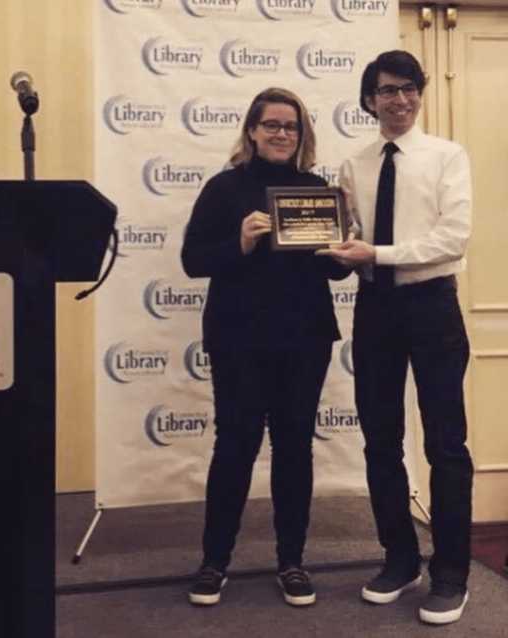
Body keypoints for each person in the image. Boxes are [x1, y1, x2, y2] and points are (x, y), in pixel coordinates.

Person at [318, 50, 473, 625]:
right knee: (380, 440)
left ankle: (451, 571)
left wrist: (375, 253)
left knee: (445, 444)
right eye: (387, 90)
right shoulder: (353, 164)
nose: (400, 100)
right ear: (369, 99)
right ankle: (400, 558)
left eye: (409, 89)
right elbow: (346, 242)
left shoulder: (447, 156)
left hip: (433, 304)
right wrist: (320, 246)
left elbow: (451, 239)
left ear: (420, 93)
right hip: (376, 307)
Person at [181, 87, 350, 607]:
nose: (281, 134)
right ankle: (214, 562)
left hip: (305, 339)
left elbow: (333, 267)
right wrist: (241, 242)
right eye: (272, 125)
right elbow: (192, 260)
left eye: (291, 127)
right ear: (252, 131)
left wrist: (342, 248)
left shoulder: (317, 189)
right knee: (234, 446)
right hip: (239, 339)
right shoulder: (223, 188)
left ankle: (292, 562)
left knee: (295, 448)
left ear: (302, 135)